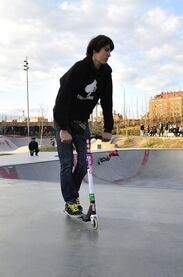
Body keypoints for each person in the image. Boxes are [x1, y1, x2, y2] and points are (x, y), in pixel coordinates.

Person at [53, 35, 114, 217]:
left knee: (83, 163)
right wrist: (63, 128)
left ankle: (71, 195)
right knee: (66, 163)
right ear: (94, 50)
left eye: (110, 51)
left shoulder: (106, 74)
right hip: (63, 119)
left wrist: (108, 128)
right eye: (106, 50)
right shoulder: (79, 69)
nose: (109, 54)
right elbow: (62, 98)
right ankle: (71, 201)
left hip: (81, 122)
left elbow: (107, 102)